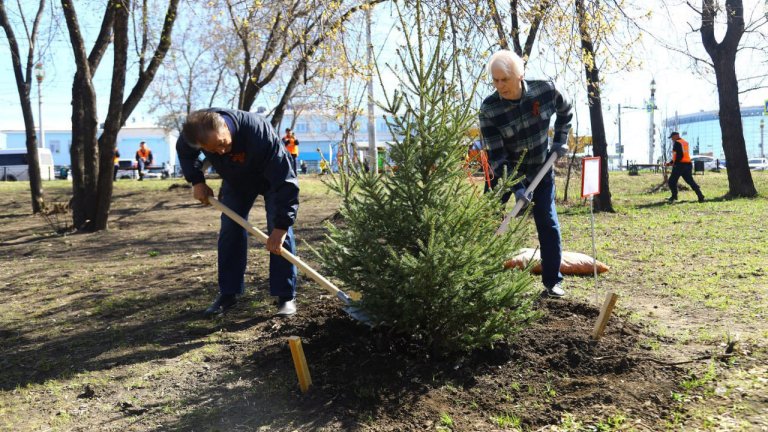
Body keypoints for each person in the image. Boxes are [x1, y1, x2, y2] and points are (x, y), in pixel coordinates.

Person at [177, 109, 299, 317]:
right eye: (213, 150)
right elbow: (185, 152)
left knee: (278, 232)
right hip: (237, 180)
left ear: (225, 126)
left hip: (271, 180)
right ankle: (228, 293)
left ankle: (286, 295)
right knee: (230, 230)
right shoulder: (194, 133)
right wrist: (197, 181)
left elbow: (285, 183)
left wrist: (280, 228)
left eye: (222, 144)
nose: (222, 152)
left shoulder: (259, 133)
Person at [479, 50, 573, 298]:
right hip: (503, 174)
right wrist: (516, 186)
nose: (500, 86)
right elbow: (497, 156)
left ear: (520, 75)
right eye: (495, 80)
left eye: (505, 80)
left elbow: (566, 111)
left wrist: (561, 139)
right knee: (488, 220)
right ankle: (480, 277)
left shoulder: (546, 91)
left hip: (540, 168)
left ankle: (552, 283)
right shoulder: (489, 109)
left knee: (547, 222)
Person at [666, 132, 705, 203]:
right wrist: (670, 163)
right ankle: (700, 195)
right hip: (688, 164)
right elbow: (682, 155)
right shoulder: (684, 142)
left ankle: (674, 196)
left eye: (672, 137)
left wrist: (674, 164)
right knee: (690, 181)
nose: (672, 139)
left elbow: (679, 156)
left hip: (680, 165)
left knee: (671, 181)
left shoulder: (677, 143)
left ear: (676, 136)